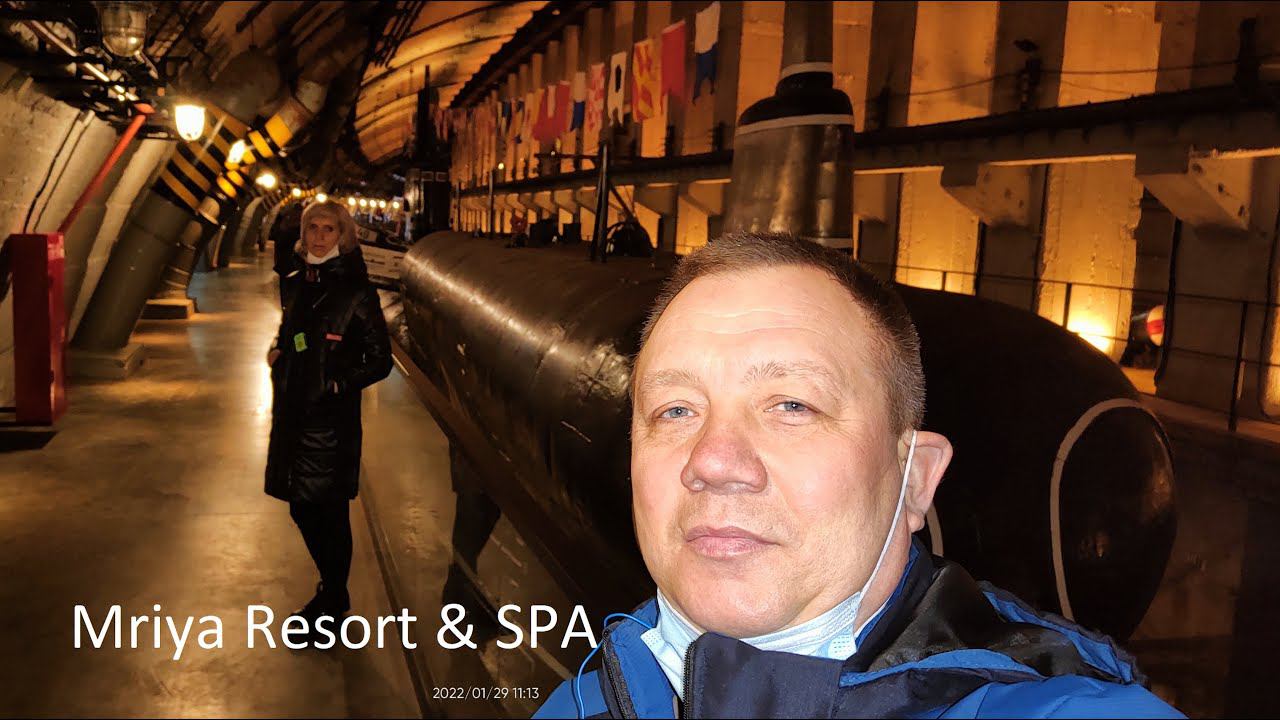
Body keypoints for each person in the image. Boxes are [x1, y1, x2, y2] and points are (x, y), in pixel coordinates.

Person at [535, 232, 1180, 719]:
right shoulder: (586, 702)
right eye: (675, 410)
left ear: (916, 479)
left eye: (793, 405)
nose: (712, 461)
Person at [265, 199, 392, 622]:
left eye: (329, 229)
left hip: (330, 424)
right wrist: (282, 350)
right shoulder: (298, 282)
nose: (319, 236)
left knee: (330, 512)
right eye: (313, 228)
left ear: (344, 236)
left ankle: (334, 597)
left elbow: (380, 360)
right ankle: (332, 590)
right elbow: (296, 331)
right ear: (303, 234)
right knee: (301, 506)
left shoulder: (356, 292)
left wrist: (336, 384)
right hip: (294, 414)